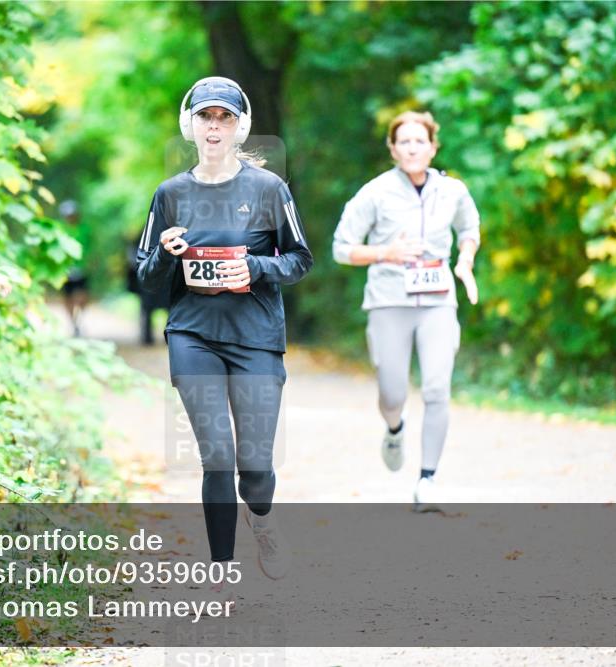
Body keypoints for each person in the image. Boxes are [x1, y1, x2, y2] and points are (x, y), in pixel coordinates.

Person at [135, 77, 313, 601]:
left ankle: (262, 518)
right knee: (216, 455)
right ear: (189, 125)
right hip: (193, 335)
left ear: (240, 127)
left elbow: (300, 259)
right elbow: (146, 277)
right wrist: (166, 253)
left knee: (254, 468)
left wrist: (254, 267)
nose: (214, 127)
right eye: (205, 117)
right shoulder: (170, 194)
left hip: (256, 336)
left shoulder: (269, 190)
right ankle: (222, 570)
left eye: (225, 118)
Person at [331, 110, 480, 512]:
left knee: (437, 389)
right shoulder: (374, 193)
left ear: (433, 147)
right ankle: (394, 427)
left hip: (438, 301)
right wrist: (386, 252)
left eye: (420, 141)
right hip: (388, 300)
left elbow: (469, 229)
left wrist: (465, 260)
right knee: (393, 392)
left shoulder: (453, 191)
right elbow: (342, 248)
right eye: (404, 141)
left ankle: (427, 480)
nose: (413, 148)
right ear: (393, 149)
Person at [58, 200, 89, 336]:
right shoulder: (60, 230)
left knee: (83, 297)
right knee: (68, 298)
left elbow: (90, 247)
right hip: (65, 270)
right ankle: (73, 323)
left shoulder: (84, 229)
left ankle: (78, 319)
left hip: (81, 269)